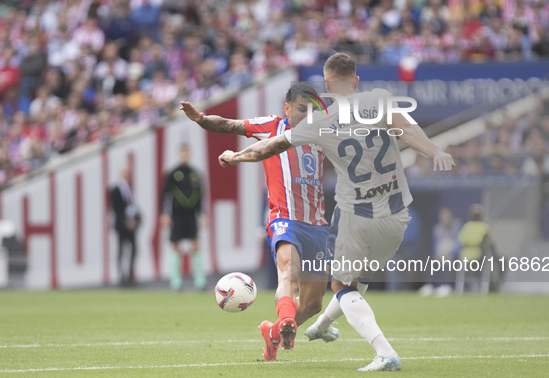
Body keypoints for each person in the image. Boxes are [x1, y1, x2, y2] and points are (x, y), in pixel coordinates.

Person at [218, 52, 454, 371]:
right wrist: (436, 150)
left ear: (326, 84)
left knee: (343, 287)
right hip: (398, 214)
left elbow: (269, 146)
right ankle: (322, 325)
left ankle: (384, 353)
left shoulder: (318, 123)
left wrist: (237, 156)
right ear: (356, 81)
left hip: (358, 217)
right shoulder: (380, 100)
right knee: (360, 278)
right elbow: (408, 131)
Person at [179, 82, 335, 362]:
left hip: (317, 224)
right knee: (288, 271)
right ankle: (285, 322)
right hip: (284, 218)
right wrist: (202, 120)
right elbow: (228, 125)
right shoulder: (271, 126)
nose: (307, 114)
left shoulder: (321, 132)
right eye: (301, 108)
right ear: (287, 108)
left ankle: (273, 334)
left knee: (312, 304)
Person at [160, 144, 206, 291]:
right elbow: (164, 195)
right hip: (177, 215)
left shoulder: (195, 173)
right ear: (179, 154)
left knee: (196, 245)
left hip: (191, 215)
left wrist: (203, 214)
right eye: (183, 153)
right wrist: (164, 213)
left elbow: (200, 196)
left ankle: (200, 281)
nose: (185, 156)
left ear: (190, 154)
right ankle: (176, 282)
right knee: (175, 246)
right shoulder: (172, 174)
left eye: (187, 153)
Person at [111, 167, 141, 286]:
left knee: (134, 249)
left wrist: (137, 219)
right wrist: (126, 221)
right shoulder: (116, 189)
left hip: (132, 224)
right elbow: (116, 209)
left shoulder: (130, 188)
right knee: (121, 250)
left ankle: (129, 274)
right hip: (122, 225)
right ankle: (121, 276)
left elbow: (133, 206)